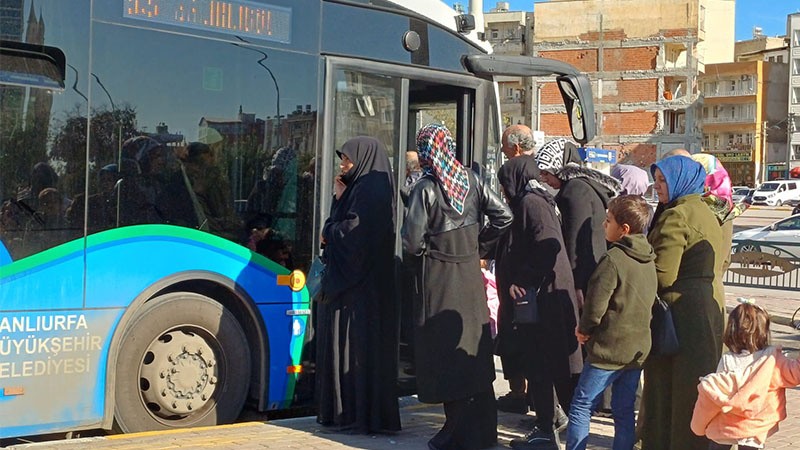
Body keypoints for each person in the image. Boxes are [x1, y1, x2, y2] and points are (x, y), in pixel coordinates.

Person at [402, 123, 512, 450]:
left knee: (444, 354)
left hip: (438, 278)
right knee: (472, 353)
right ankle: (482, 433)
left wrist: (428, 255)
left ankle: (455, 434)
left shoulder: (425, 189)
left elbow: (411, 243)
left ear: (425, 152)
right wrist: (479, 248)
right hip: (469, 277)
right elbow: (504, 217)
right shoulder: (473, 180)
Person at [639, 155, 726, 450]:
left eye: (663, 180)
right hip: (706, 308)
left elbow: (664, 273)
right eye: (657, 179)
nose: (658, 186)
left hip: (679, 316)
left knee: (670, 393)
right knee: (697, 389)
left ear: (680, 181)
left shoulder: (676, 214)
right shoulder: (705, 210)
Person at [315, 136, 401, 434]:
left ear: (363, 159)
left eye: (347, 161)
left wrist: (328, 228)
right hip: (360, 289)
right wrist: (338, 200)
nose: (343, 166)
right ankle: (350, 413)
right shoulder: (360, 188)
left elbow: (353, 235)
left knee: (357, 351)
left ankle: (356, 414)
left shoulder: (369, 190)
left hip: (362, 292)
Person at [497, 155, 578, 450]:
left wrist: (524, 279)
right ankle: (550, 421)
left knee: (540, 365)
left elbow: (549, 246)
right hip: (542, 298)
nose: (504, 190)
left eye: (505, 182)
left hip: (543, 302)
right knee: (542, 365)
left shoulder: (532, 203)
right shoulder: (535, 200)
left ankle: (546, 430)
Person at [565, 195, 657, 450]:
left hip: (608, 349)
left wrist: (584, 331)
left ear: (624, 229)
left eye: (608, 221)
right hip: (637, 349)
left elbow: (595, 307)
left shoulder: (613, 260)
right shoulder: (649, 259)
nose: (604, 225)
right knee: (624, 410)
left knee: (582, 404)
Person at [691, 301, 800, 450]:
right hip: (756, 426)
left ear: (731, 330)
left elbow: (715, 394)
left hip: (726, 426)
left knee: (717, 443)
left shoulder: (727, 360)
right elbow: (796, 374)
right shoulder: (773, 360)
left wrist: (699, 425)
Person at [535, 138, 621, 310]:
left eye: (546, 172)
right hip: (594, 268)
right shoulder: (582, 186)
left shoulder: (574, 191)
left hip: (585, 276)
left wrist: (576, 284)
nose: (543, 179)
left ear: (559, 167)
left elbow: (576, 240)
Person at [495, 124, 540, 414]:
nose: (502, 151)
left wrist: (521, 278)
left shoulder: (529, 201)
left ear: (516, 148)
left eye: (504, 146)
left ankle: (526, 395)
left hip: (522, 288)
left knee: (522, 341)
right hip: (515, 285)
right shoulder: (530, 190)